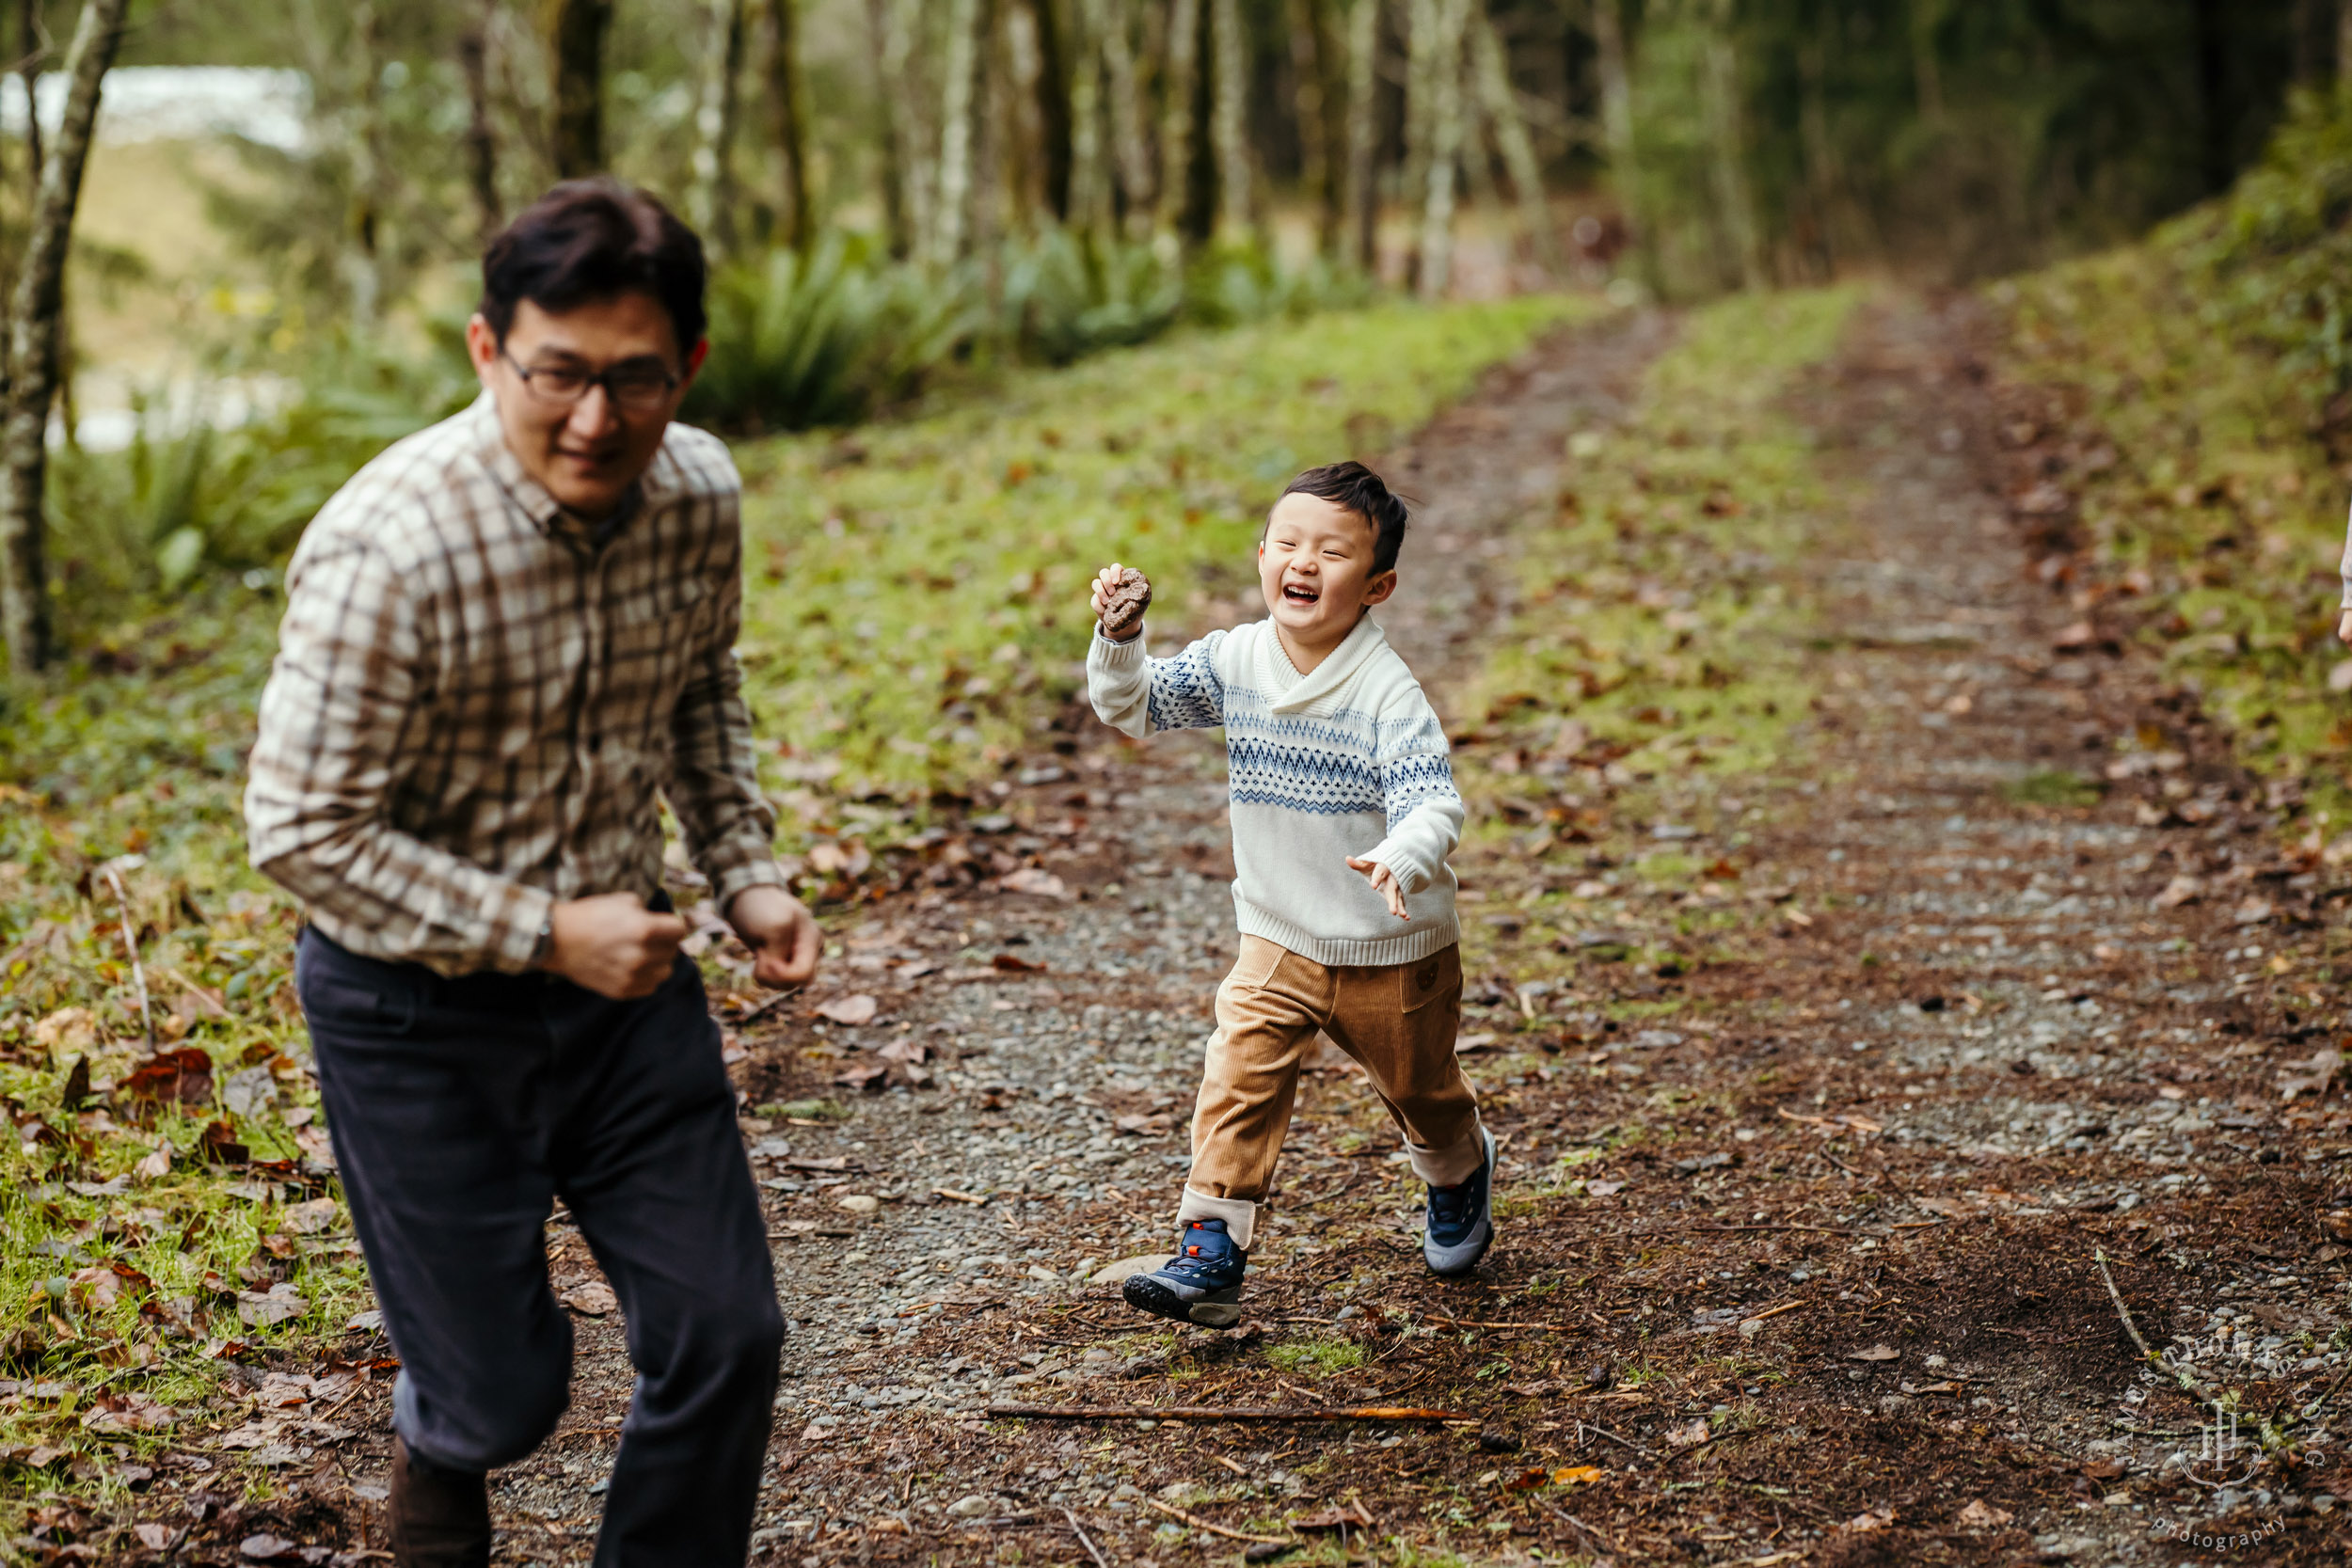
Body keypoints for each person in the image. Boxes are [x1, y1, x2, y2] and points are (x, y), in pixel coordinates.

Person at [245, 179, 818, 1568]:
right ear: (488, 350)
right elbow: (301, 830)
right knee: (502, 1393)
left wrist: (744, 868)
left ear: (686, 364)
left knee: (726, 1333)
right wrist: (545, 928)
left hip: (626, 996)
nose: (595, 419)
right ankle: (443, 1445)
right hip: (411, 1012)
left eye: (636, 379)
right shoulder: (394, 545)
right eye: (558, 374)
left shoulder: (698, 493)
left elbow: (700, 689)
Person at [1084, 462, 1494, 1327]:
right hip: (1278, 933)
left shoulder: (1388, 691)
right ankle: (1211, 1247)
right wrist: (1121, 640)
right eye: (1289, 541)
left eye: (1333, 551)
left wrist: (1402, 852)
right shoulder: (1237, 659)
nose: (1304, 561)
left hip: (1393, 946)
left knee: (1420, 1089)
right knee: (1239, 1075)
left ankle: (1459, 1169)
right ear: (1262, 554)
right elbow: (1140, 706)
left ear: (1377, 583)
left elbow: (1433, 798)